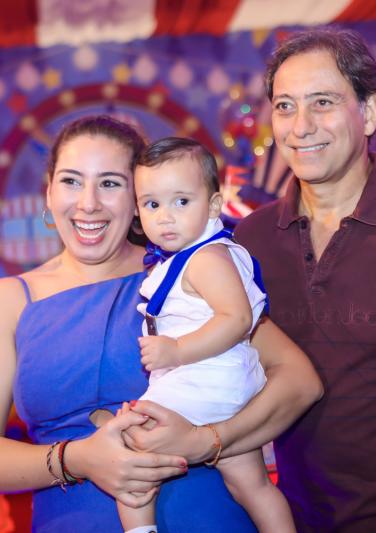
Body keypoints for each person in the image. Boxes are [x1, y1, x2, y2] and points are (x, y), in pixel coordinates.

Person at [0, 115, 323, 532]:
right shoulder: (7, 300)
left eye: (110, 183)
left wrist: (209, 441)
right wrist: (78, 459)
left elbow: (300, 381)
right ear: (49, 192)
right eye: (71, 181)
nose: (88, 203)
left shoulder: (182, 276)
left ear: (139, 199)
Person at [233, 28, 376, 531]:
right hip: (294, 519)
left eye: (322, 103)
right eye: (285, 106)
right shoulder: (251, 238)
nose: (300, 127)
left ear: (368, 113)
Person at [112, 137, 295, 533]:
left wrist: (177, 350)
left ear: (213, 205)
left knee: (128, 450)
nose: (165, 217)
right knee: (251, 485)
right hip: (226, 384)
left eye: (181, 201)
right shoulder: (197, 255)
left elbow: (237, 318)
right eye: (152, 204)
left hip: (205, 379)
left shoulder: (205, 259)